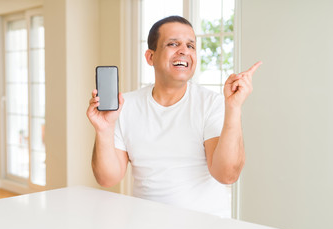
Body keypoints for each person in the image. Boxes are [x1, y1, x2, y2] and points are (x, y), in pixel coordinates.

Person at [87, 16, 262, 217]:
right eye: (173, 43)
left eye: (191, 45)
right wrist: (103, 130)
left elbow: (227, 175)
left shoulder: (211, 103)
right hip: (146, 226)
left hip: (206, 228)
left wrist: (233, 108)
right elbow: (107, 179)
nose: (185, 51)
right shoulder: (124, 106)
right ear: (150, 57)